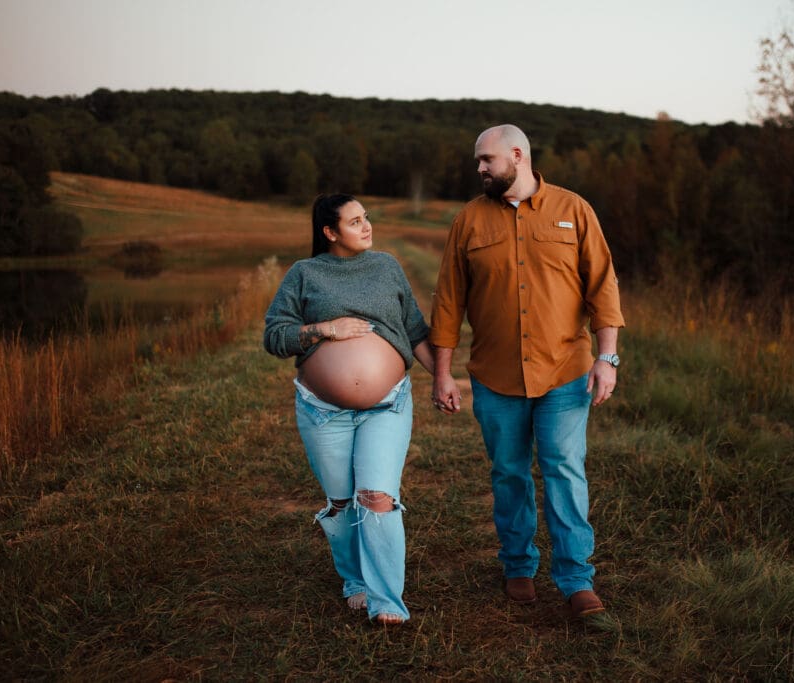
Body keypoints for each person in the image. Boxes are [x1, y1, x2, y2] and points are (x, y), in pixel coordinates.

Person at [429, 124, 625, 619]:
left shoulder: (573, 209)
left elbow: (603, 286)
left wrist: (607, 357)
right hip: (495, 376)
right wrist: (442, 373)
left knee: (564, 469)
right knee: (509, 473)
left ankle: (576, 579)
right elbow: (449, 300)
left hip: (565, 371)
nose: (479, 168)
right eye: (478, 161)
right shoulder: (468, 220)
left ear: (517, 155)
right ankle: (517, 564)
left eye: (486, 159)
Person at [264, 193, 435, 625]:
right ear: (330, 232)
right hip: (323, 411)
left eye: (366, 218)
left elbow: (415, 330)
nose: (367, 226)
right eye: (355, 221)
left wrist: (444, 377)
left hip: (387, 404)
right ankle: (355, 579)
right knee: (342, 502)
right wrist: (326, 329)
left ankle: (386, 602)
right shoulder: (304, 273)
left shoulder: (386, 267)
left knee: (376, 497)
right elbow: (275, 337)